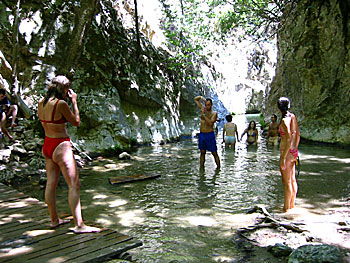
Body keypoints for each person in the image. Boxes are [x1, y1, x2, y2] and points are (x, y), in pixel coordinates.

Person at [38, 75, 100, 233]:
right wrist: (74, 102)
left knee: (51, 183)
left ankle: (54, 220)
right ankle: (79, 225)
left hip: (47, 145)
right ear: (65, 89)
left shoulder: (41, 102)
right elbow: (76, 122)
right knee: (74, 184)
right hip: (61, 146)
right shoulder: (61, 104)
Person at [277, 97, 300, 213]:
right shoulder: (293, 117)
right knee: (292, 180)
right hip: (294, 152)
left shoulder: (284, 121)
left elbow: (289, 138)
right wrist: (294, 150)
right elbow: (297, 135)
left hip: (286, 153)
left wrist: (283, 157)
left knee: (286, 182)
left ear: (278, 108)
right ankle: (292, 206)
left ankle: (286, 209)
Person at [194, 96, 220, 169]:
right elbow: (195, 99)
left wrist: (204, 115)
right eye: (206, 105)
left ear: (211, 105)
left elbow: (211, 123)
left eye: (208, 105)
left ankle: (218, 169)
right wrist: (201, 97)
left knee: (214, 152)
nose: (207, 106)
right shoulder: (203, 108)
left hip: (209, 134)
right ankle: (201, 169)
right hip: (202, 134)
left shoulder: (214, 113)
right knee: (202, 152)